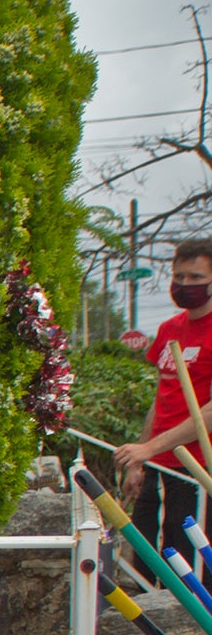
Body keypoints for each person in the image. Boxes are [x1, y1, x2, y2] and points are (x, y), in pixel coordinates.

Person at [115, 238, 212, 563]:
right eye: (179, 276)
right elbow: (161, 400)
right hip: (158, 465)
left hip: (198, 470)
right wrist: (140, 460)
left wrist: (150, 449)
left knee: (190, 569)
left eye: (196, 278)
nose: (185, 284)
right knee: (144, 562)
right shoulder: (170, 329)